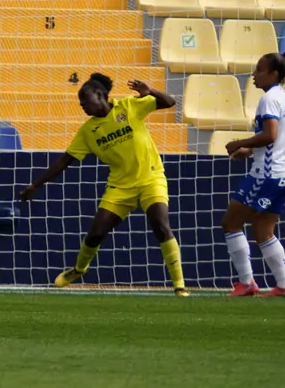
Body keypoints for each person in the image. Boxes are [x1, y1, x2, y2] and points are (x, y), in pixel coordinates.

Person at [20, 74, 188, 296]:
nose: (83, 107)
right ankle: (78, 270)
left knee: (160, 224)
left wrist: (151, 91)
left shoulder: (128, 106)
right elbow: (65, 160)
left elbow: (170, 103)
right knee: (96, 233)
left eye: (85, 101)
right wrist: (36, 185)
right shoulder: (88, 131)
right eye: (80, 104)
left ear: (100, 95)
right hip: (120, 186)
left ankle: (179, 285)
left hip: (151, 177)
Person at [221, 52, 285, 298]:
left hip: (266, 175)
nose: (254, 74)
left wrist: (239, 143)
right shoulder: (283, 97)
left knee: (231, 223)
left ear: (273, 74)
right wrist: (249, 151)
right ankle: (284, 286)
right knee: (264, 230)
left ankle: (246, 283)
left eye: (258, 70)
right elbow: (275, 141)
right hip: (283, 172)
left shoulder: (269, 99)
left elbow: (270, 135)